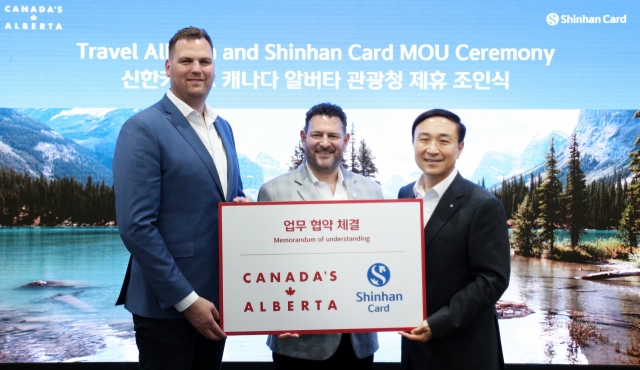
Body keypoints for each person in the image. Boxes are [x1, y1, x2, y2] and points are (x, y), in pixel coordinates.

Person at [113, 27, 248, 370]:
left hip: (217, 302)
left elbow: (229, 195)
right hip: (167, 309)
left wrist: (243, 209)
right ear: (168, 67)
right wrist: (187, 302)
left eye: (205, 61)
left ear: (214, 68)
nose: (197, 68)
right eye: (186, 60)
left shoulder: (224, 128)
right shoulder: (143, 128)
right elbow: (136, 227)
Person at [258, 103, 381, 370]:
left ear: (346, 141)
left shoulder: (372, 191)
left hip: (358, 342)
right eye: (317, 135)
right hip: (297, 343)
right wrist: (271, 316)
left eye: (333, 136)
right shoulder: (274, 192)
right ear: (304, 138)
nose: (325, 143)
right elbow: (264, 265)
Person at [398, 109, 510, 370]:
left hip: (465, 351)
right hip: (414, 349)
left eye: (444, 140)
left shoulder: (483, 204)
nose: (432, 149)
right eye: (424, 139)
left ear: (459, 148)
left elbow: (492, 280)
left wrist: (438, 324)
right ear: (413, 144)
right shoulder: (404, 195)